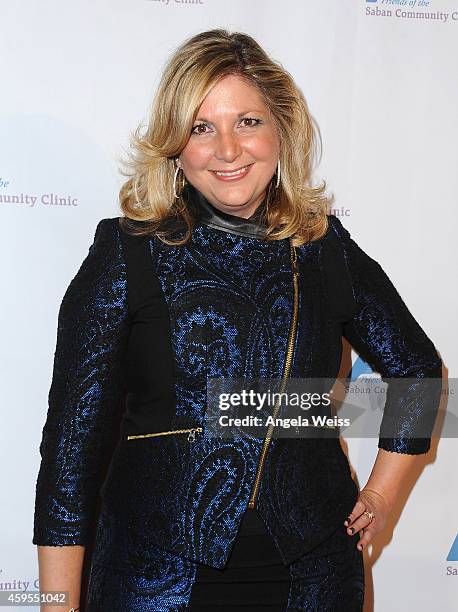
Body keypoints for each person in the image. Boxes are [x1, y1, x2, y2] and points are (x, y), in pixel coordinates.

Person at [33, 29, 442, 611]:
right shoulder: (127, 252)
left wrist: (380, 494)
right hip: (154, 580)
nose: (228, 150)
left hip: (315, 578)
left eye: (248, 121)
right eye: (202, 127)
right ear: (175, 145)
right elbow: (70, 453)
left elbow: (418, 373)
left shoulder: (323, 247)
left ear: (281, 128)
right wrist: (55, 603)